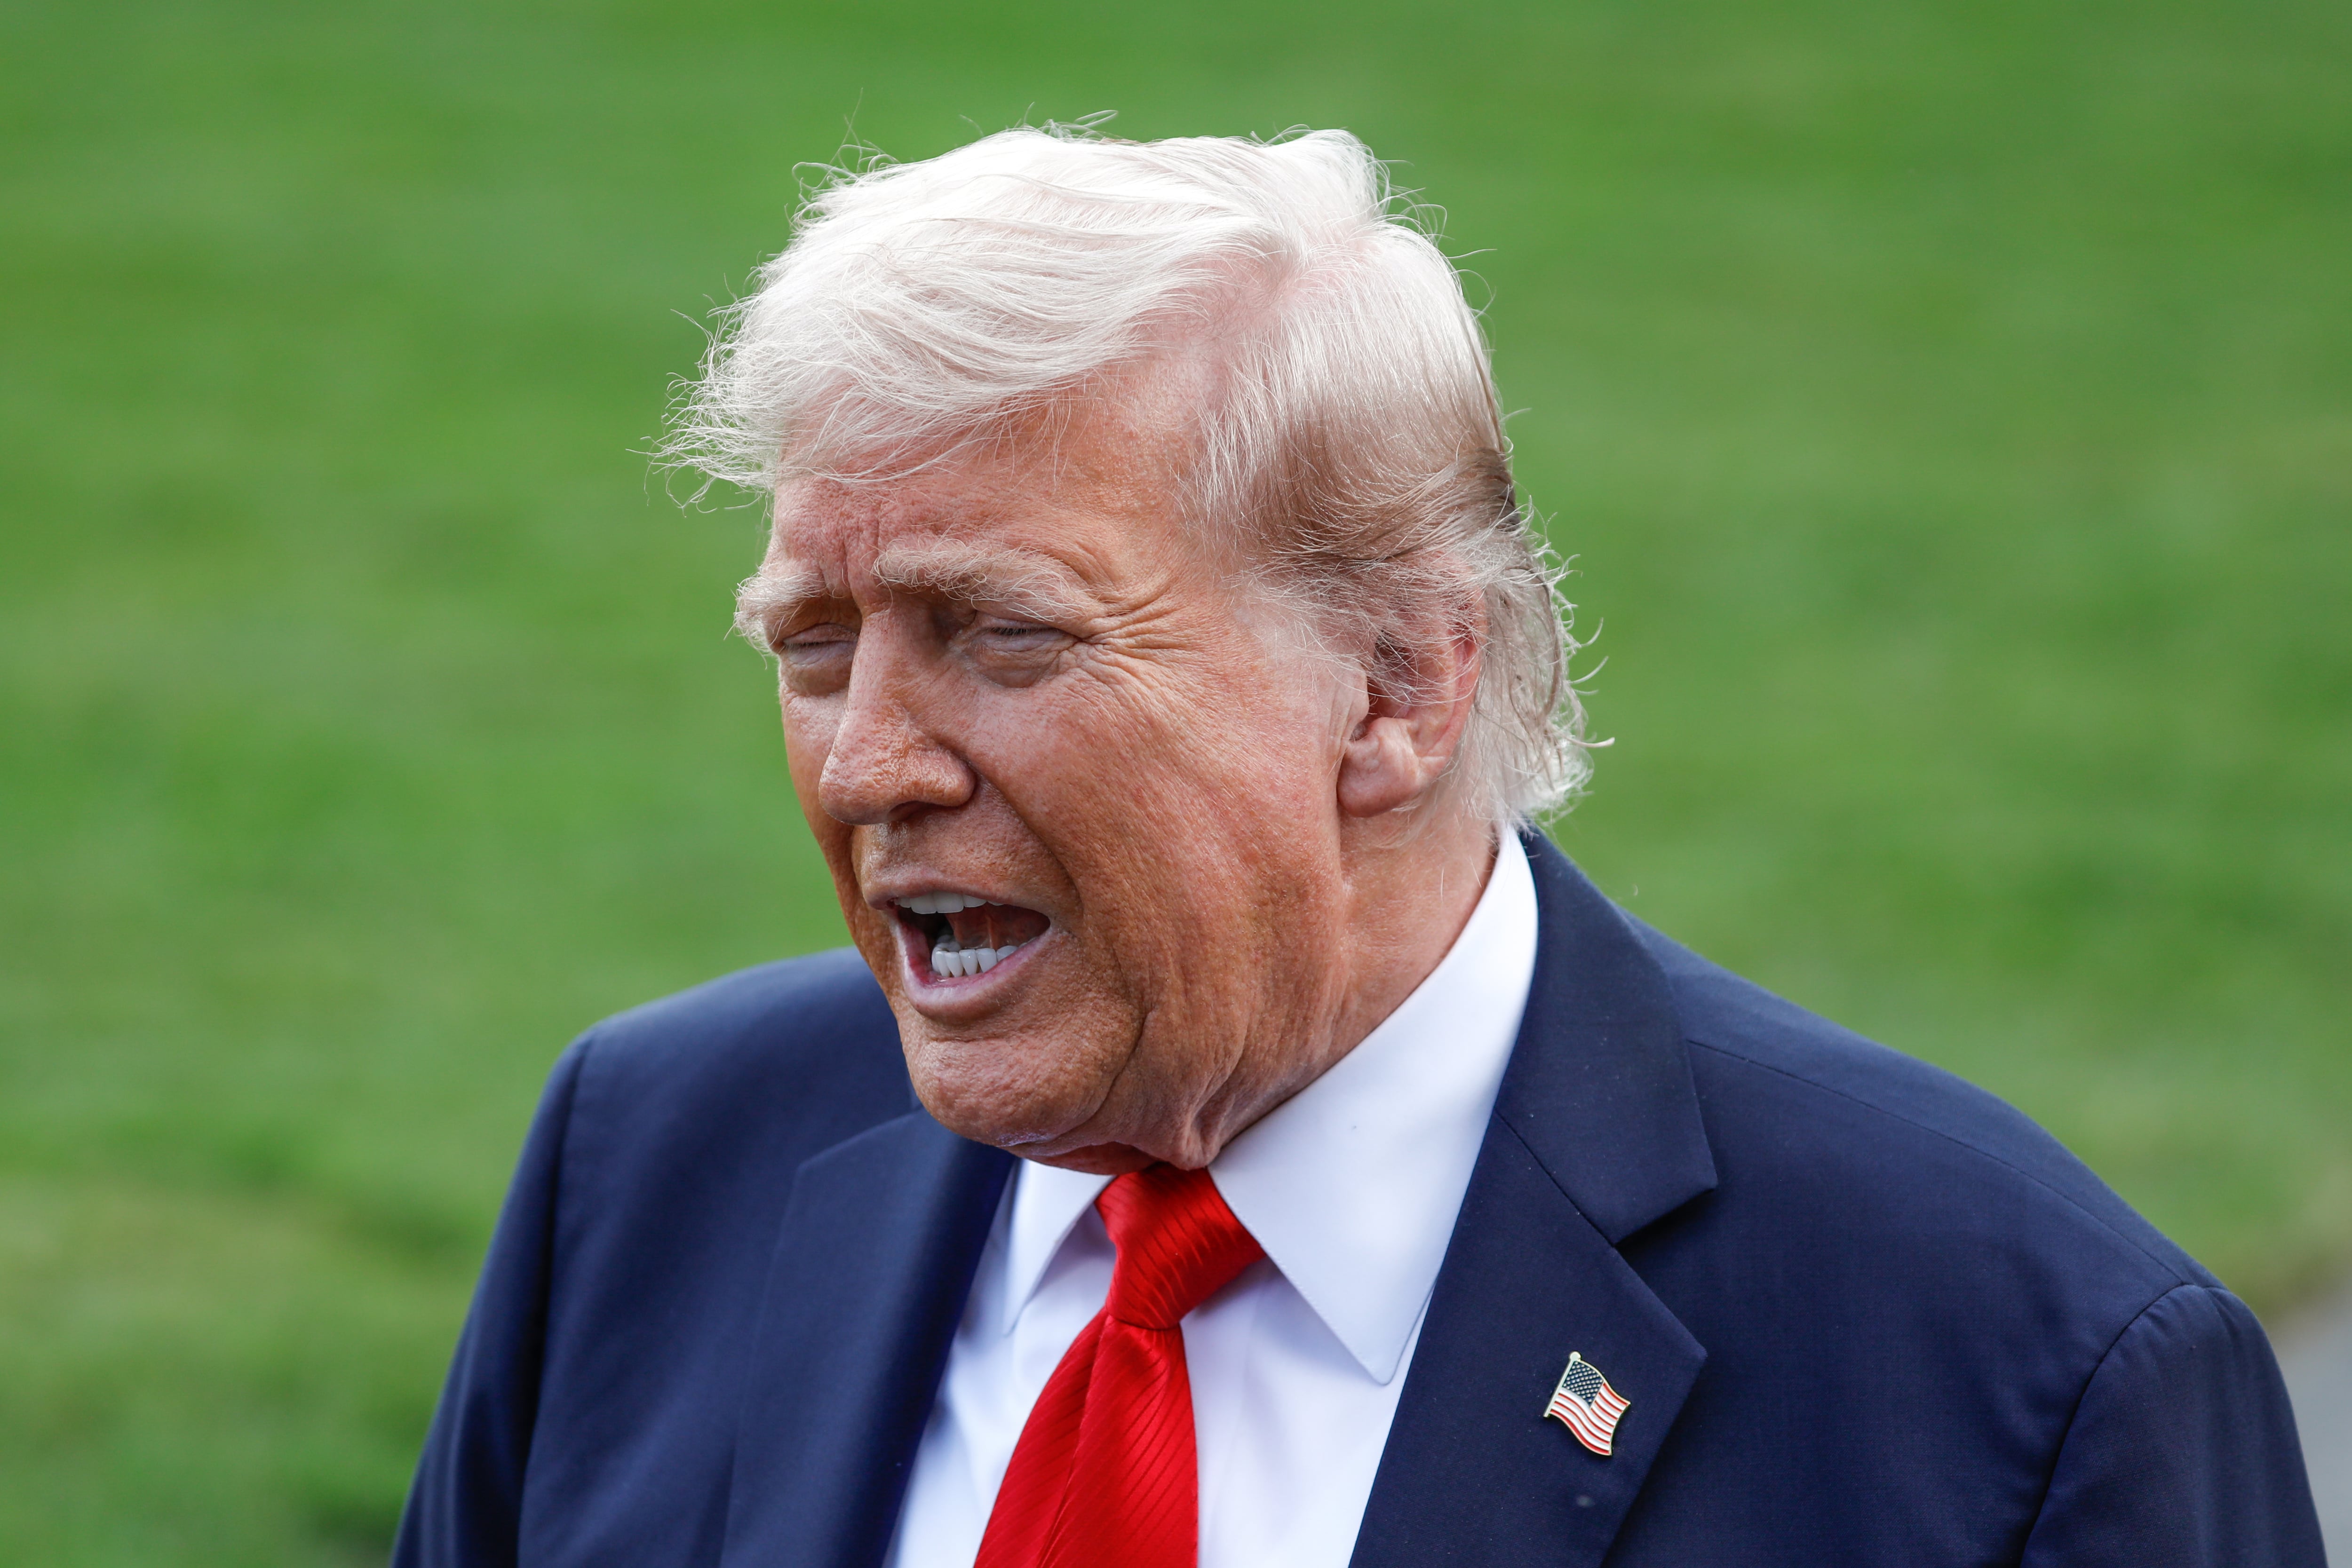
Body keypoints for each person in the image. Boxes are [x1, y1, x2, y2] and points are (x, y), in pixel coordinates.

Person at [393, 127, 2322, 1568]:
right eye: (814, 647)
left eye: (1003, 636)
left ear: (1396, 686)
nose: (870, 766)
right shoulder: (648, 1164)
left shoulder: (2019, 1381)